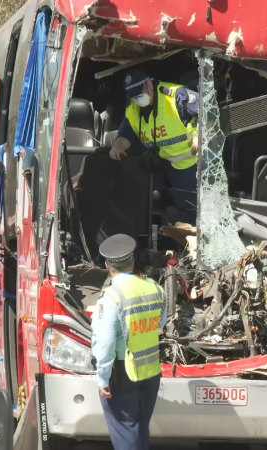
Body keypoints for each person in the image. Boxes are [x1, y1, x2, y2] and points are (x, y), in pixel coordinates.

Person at [91, 234, 166, 450]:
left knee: (125, 432)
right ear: (133, 260)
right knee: (140, 431)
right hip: (150, 370)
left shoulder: (112, 297)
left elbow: (104, 343)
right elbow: (160, 322)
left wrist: (103, 378)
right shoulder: (154, 287)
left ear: (107, 265)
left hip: (123, 374)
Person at [109, 69, 199, 220]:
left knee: (191, 208)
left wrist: (201, 136)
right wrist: (117, 146)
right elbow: (126, 134)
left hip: (190, 162)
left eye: (140, 92)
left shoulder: (176, 95)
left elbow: (209, 112)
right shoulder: (133, 108)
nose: (138, 98)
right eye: (134, 95)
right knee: (150, 199)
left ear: (149, 83)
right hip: (163, 162)